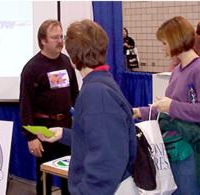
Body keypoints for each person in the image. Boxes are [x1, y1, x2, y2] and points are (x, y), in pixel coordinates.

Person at [39, 19, 138, 195]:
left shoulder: (96, 93)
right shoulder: (101, 83)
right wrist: (64, 134)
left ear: (73, 58)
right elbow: (98, 137)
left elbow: (107, 160)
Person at [133, 16, 200, 194]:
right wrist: (138, 112)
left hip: (191, 151)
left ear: (175, 40)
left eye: (164, 42)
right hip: (173, 149)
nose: (163, 47)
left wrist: (172, 106)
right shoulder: (177, 72)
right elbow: (165, 111)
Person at [19, 19, 79, 195]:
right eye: (55, 37)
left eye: (61, 36)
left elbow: (75, 94)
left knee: (70, 174)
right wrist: (31, 137)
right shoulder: (31, 68)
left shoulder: (67, 61)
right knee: (44, 177)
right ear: (43, 41)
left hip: (67, 127)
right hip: (43, 129)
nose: (60, 41)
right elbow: (25, 105)